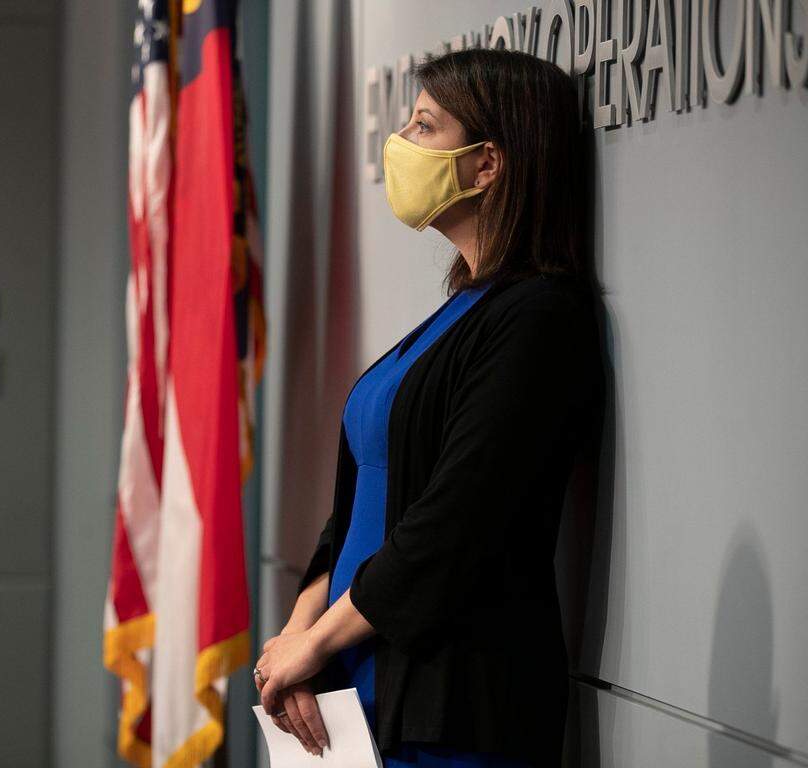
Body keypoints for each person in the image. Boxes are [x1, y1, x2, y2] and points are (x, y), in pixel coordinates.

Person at [252, 49, 602, 767]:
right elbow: (358, 507)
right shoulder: (465, 308)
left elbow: (454, 521)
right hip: (354, 686)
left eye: (424, 126)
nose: (401, 145)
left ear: (487, 165)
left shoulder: (540, 317)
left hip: (453, 704)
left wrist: (314, 643)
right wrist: (297, 633)